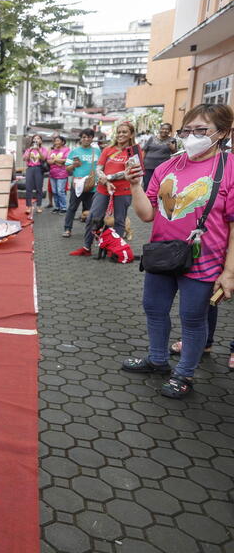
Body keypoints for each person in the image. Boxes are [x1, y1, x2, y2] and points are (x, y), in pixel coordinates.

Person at [121, 104, 234, 398]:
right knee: (154, 309)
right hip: (162, 253)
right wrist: (135, 185)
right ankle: (157, 360)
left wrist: (229, 271)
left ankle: (184, 374)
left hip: (204, 259)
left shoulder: (230, 168)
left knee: (193, 318)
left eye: (201, 130)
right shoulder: (168, 166)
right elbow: (147, 214)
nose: (192, 136)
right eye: (187, 130)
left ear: (222, 133)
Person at [70, 122, 144, 257]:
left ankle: (115, 249)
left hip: (123, 190)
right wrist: (103, 179)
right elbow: (98, 168)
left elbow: (131, 172)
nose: (121, 134)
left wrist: (108, 178)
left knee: (119, 221)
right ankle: (87, 248)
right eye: (119, 132)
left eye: (125, 132)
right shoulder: (108, 149)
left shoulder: (135, 151)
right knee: (92, 217)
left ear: (131, 134)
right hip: (103, 189)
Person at [63, 129, 101, 237]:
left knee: (90, 209)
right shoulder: (74, 151)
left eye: (89, 137)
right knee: (72, 207)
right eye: (84, 137)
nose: (86, 139)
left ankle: (89, 231)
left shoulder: (97, 151)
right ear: (81, 138)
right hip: (78, 184)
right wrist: (74, 165)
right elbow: (67, 169)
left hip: (92, 185)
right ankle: (67, 229)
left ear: (92, 138)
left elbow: (101, 166)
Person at [141, 123, 178, 190]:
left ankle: (155, 199)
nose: (164, 130)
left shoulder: (172, 140)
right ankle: (146, 199)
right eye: (163, 129)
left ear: (170, 131)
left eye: (167, 129)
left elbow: (175, 153)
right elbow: (144, 150)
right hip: (148, 166)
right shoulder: (152, 138)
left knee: (159, 185)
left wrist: (172, 148)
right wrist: (142, 163)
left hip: (162, 168)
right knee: (147, 184)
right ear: (160, 129)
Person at [23, 135, 48, 214]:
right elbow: (25, 159)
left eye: (38, 138)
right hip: (30, 169)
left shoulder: (43, 149)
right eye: (34, 138)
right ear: (32, 140)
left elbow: (44, 158)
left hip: (39, 169)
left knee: (39, 188)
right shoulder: (28, 149)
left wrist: (38, 150)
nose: (36, 140)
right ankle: (29, 207)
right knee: (28, 188)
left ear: (41, 141)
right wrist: (30, 150)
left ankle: (38, 206)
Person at [47, 136, 70, 214]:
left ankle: (63, 207)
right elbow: (48, 161)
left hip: (62, 173)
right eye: (55, 141)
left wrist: (55, 160)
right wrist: (58, 162)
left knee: (60, 191)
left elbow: (67, 160)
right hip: (52, 173)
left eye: (57, 140)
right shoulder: (52, 150)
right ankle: (57, 207)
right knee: (54, 191)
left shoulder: (66, 150)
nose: (56, 142)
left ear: (62, 142)